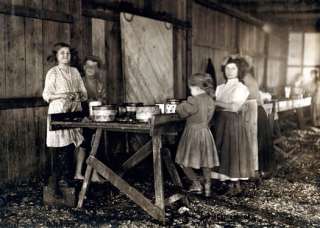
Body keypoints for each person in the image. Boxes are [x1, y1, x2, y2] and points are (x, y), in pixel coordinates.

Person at [42, 42, 88, 197]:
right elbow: (46, 95)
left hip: (73, 111)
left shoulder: (75, 72)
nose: (65, 56)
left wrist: (78, 95)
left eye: (68, 53)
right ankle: (54, 183)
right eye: (62, 53)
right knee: (57, 147)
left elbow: (84, 93)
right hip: (58, 111)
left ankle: (66, 180)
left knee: (69, 145)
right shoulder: (53, 73)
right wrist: (63, 95)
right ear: (56, 55)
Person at [214, 56, 254, 195]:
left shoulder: (241, 88)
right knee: (223, 151)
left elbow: (234, 107)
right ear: (223, 70)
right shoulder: (219, 88)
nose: (230, 71)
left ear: (239, 70)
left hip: (233, 124)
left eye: (233, 68)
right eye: (227, 68)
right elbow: (222, 107)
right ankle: (226, 182)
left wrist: (215, 103)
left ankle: (235, 184)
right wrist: (219, 105)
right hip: (220, 123)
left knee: (233, 151)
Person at [175, 73, 219, 197]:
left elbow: (181, 111)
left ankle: (196, 183)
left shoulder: (193, 100)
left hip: (193, 134)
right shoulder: (210, 99)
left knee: (183, 161)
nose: (190, 91)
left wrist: (181, 105)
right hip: (206, 133)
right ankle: (208, 186)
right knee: (206, 162)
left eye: (190, 88)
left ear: (196, 88)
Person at [74, 55, 106, 181]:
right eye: (88, 66)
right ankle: (80, 173)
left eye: (94, 66)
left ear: (97, 69)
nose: (90, 68)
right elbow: (76, 100)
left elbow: (103, 99)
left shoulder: (99, 84)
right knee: (84, 143)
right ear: (84, 67)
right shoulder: (79, 82)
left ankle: (91, 173)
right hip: (82, 116)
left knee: (93, 142)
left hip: (95, 116)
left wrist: (101, 99)